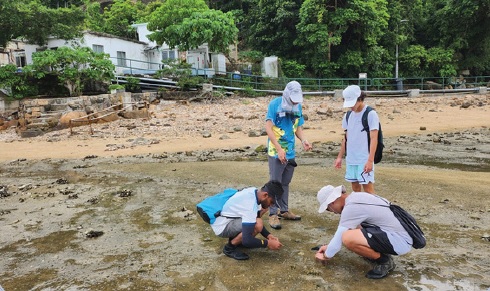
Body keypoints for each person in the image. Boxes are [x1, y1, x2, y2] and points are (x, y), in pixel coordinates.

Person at [314, 185, 413, 279]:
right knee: (352, 230)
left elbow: (338, 241)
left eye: (328, 209)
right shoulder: (356, 197)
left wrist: (324, 256)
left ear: (332, 202)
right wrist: (329, 247)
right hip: (400, 235)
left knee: (347, 238)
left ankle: (385, 261)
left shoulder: (351, 207)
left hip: (400, 241)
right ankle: (376, 253)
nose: (333, 212)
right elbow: (350, 231)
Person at [265, 81, 313, 229]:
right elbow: (268, 128)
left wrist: (304, 140)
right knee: (275, 182)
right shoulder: (275, 104)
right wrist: (279, 149)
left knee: (285, 182)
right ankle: (273, 214)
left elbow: (298, 127)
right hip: (276, 151)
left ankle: (284, 210)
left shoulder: (298, 107)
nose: (294, 101)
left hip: (290, 151)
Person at [210, 180, 285, 260]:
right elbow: (247, 240)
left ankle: (238, 242)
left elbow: (254, 218)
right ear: (265, 195)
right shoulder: (250, 205)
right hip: (222, 226)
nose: (271, 205)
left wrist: (269, 236)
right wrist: (267, 243)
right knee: (257, 223)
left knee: (259, 216)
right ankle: (229, 248)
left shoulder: (254, 191)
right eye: (272, 202)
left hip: (228, 219)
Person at [334, 85, 379, 194]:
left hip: (364, 158)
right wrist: (340, 157)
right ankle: (359, 210)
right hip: (351, 159)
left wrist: (370, 161)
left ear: (360, 99)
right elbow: (346, 138)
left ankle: (373, 210)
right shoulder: (348, 115)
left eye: (353, 103)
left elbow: (374, 138)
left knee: (368, 188)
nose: (351, 107)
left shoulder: (370, 114)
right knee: (355, 188)